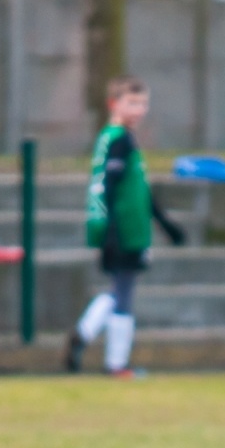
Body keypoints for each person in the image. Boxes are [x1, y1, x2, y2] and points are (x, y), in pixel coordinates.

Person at [65, 77, 185, 378]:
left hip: (125, 228)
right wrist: (113, 230)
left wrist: (165, 224)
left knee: (120, 290)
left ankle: (85, 335)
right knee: (124, 292)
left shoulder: (114, 138)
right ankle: (113, 361)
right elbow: (107, 186)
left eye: (143, 103)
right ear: (113, 104)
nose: (139, 109)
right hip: (124, 230)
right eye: (132, 102)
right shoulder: (119, 139)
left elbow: (139, 191)